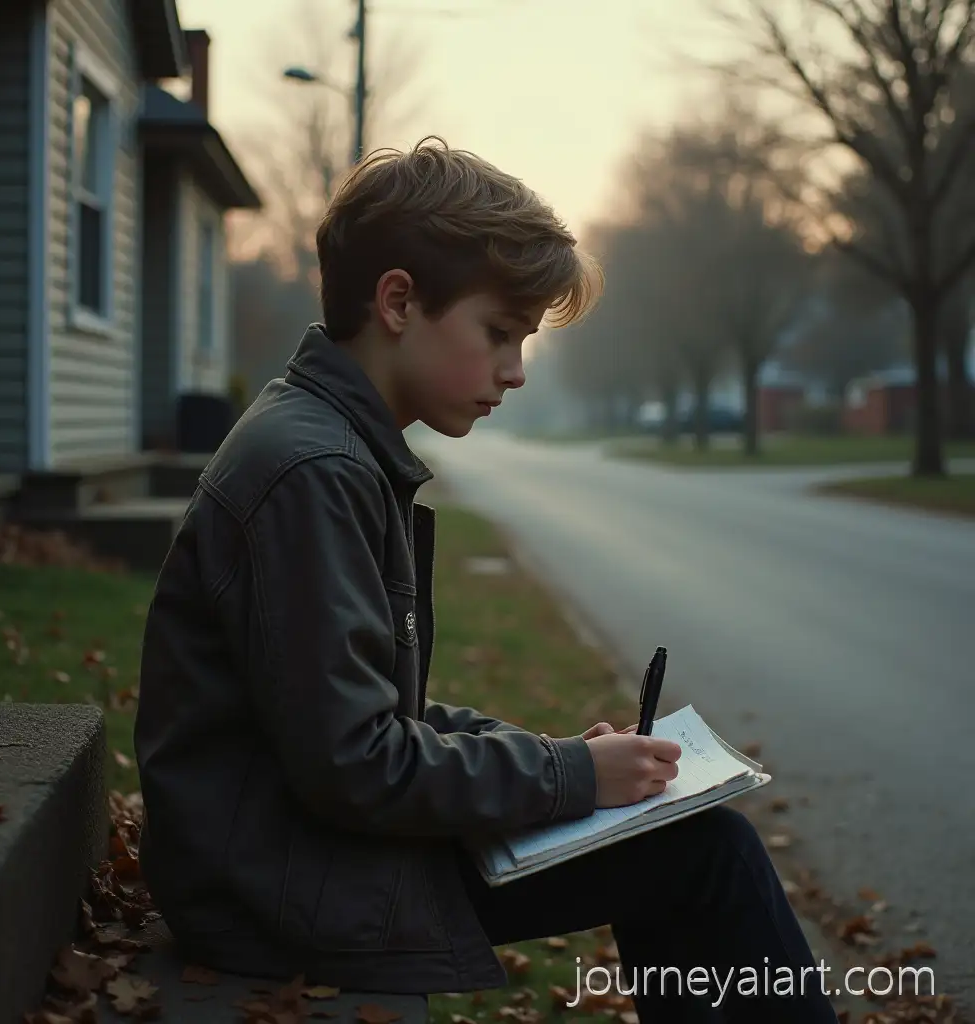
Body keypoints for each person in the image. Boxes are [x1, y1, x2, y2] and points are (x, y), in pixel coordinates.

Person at [134, 136, 838, 1023]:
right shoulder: (312, 471)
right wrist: (568, 775)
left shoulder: (329, 445)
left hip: (289, 856)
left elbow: (363, 722)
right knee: (709, 856)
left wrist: (569, 766)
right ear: (399, 301)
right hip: (282, 888)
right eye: (498, 333)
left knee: (686, 842)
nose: (514, 369)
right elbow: (357, 765)